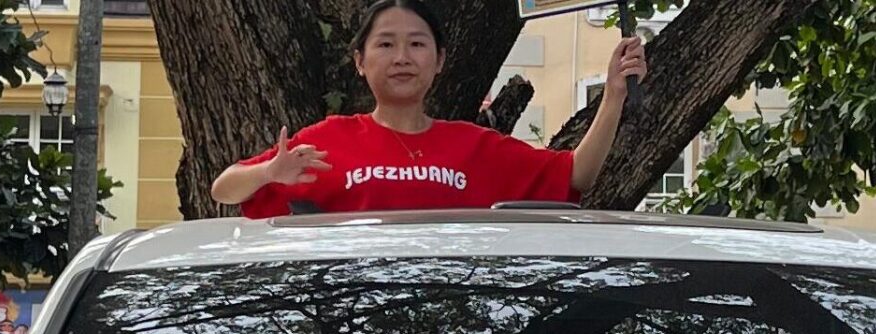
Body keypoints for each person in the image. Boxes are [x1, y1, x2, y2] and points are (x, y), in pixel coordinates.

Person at [213, 1, 648, 218]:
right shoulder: (325, 141)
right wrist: (268, 172)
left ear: (439, 60)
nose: (402, 57)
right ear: (360, 61)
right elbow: (224, 189)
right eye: (386, 44)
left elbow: (575, 175)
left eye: (417, 44)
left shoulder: (476, 147)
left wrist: (613, 95)